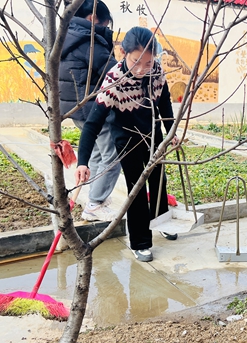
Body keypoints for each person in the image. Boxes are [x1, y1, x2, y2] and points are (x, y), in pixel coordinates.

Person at [75, 27, 178, 263]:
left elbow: (164, 102)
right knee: (137, 189)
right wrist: (82, 162)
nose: (142, 69)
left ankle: (161, 221)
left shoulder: (156, 71)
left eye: (148, 62)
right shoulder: (113, 82)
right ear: (123, 53)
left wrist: (171, 130)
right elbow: (92, 125)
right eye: (136, 61)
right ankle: (140, 242)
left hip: (153, 134)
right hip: (128, 139)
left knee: (159, 180)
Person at [59, 0, 120, 222]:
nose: (107, 28)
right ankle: (95, 203)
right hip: (95, 108)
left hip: (76, 107)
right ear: (93, 19)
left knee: (95, 153)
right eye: (105, 24)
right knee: (113, 155)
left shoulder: (67, 37)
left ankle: (96, 198)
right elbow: (114, 71)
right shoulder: (89, 41)